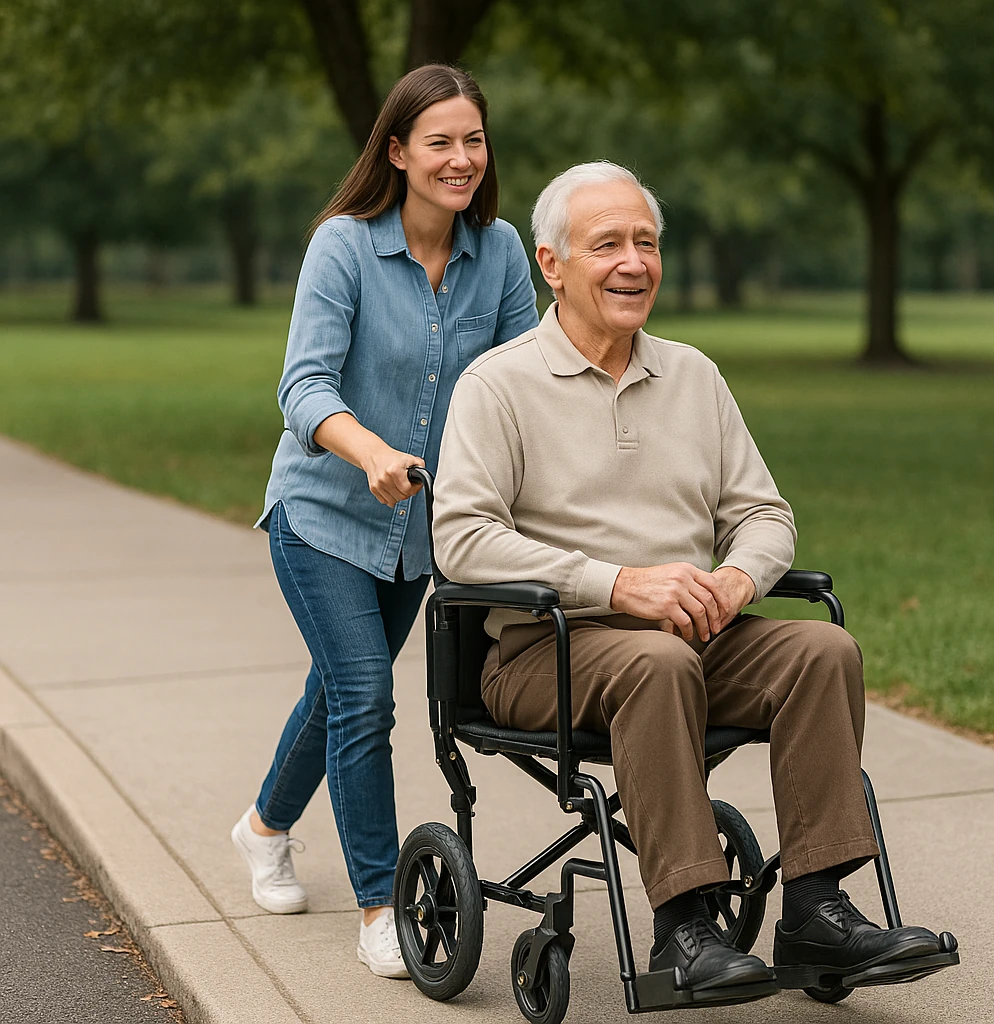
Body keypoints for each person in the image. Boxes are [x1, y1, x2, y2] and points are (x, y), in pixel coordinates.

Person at [431, 161, 944, 1005]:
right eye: (608, 245)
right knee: (657, 666)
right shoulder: (500, 386)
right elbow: (462, 540)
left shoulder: (694, 376)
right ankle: (683, 928)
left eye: (646, 241)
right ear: (551, 264)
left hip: (689, 634)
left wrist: (738, 580)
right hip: (545, 653)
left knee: (822, 649)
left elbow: (765, 514)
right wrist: (615, 583)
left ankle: (816, 910)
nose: (634, 261)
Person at [230, 64, 539, 980]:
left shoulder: (504, 252)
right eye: (438, 142)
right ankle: (379, 903)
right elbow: (303, 385)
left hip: (420, 538)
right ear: (397, 152)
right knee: (365, 693)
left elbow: (521, 382)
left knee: (339, 692)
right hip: (324, 516)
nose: (460, 158)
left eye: (472, 140)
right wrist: (369, 455)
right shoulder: (344, 247)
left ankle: (262, 827)